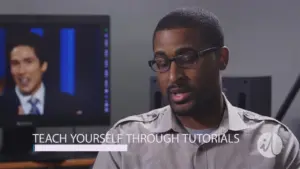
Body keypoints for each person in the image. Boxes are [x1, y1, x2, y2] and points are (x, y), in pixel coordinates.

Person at [92, 7, 300, 169]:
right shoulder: (124, 141)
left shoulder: (277, 143)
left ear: (221, 58)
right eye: (163, 63)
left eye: (187, 59)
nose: (173, 76)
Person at [0, 32, 80, 117]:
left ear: (43, 65)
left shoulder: (68, 105)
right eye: (15, 63)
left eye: (28, 62)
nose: (21, 71)